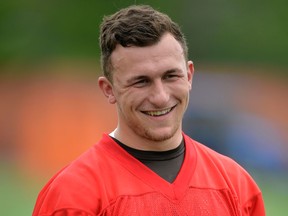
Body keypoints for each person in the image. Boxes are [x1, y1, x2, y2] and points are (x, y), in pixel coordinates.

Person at [32, 5, 265, 216]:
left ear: (189, 75)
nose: (160, 97)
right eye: (141, 81)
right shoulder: (73, 196)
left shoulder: (237, 186)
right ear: (108, 89)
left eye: (171, 76)